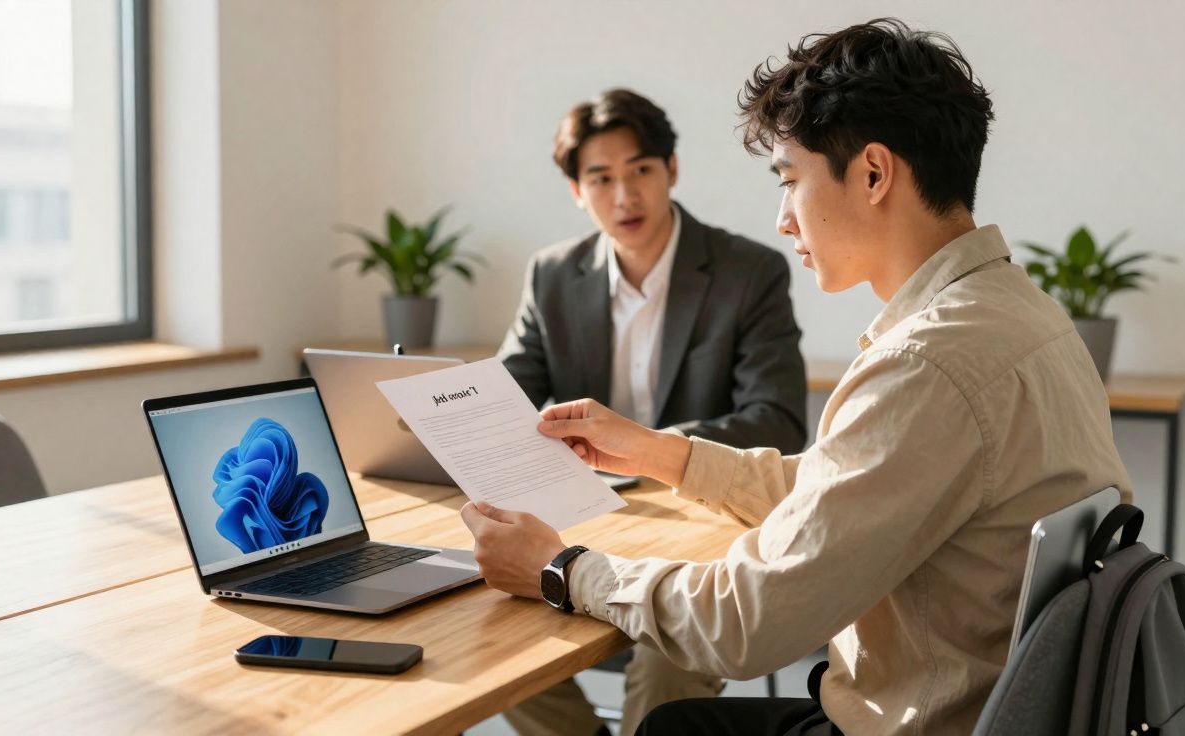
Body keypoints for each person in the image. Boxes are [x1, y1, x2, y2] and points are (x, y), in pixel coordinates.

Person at [465, 18, 1132, 736]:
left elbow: (742, 625)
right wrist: (664, 455)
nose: (784, 219)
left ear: (873, 173)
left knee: (671, 722)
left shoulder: (924, 365)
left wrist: (561, 567)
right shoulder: (1020, 314)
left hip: (925, 720)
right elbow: (846, 492)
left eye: (790, 181)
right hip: (1010, 707)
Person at [496, 88, 809, 736]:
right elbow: (510, 396)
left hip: (700, 526)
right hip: (587, 517)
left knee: (668, 669)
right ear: (576, 191)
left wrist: (644, 446)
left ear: (672, 168)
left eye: (640, 170)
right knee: (490, 639)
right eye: (600, 178)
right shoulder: (551, 275)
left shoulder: (748, 272)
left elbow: (778, 420)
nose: (623, 196)